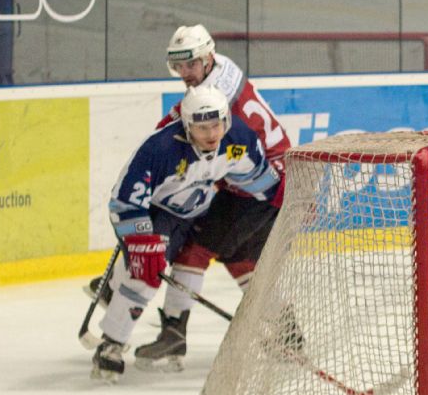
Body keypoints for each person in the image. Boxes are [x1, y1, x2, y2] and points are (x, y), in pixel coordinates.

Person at [88, 24, 291, 369]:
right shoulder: (219, 71)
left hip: (263, 180)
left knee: (193, 249)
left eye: (190, 65)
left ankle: (174, 333)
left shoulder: (213, 105)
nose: (184, 74)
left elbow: (182, 131)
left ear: (208, 57)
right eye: (178, 66)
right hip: (260, 177)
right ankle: (288, 332)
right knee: (235, 253)